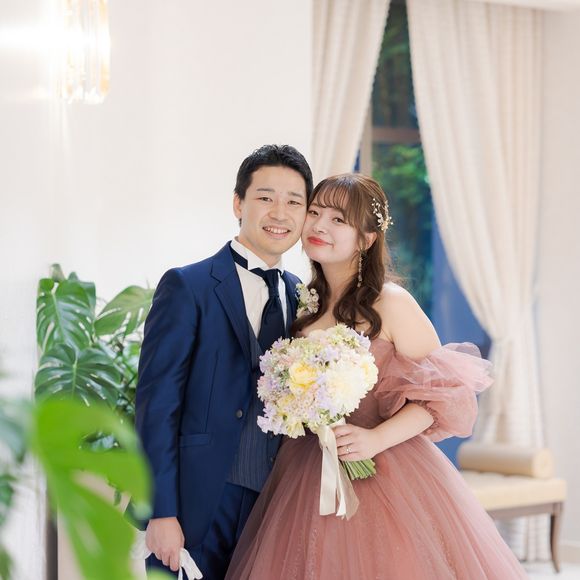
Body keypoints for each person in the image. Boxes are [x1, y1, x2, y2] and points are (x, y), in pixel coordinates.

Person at [226, 173, 528, 579]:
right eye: (315, 213)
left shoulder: (391, 302)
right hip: (305, 467)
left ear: (366, 239)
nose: (319, 226)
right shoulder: (303, 304)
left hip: (387, 468)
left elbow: (443, 397)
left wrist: (375, 439)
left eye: (338, 219)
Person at [135, 144, 313, 578]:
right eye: (265, 197)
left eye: (294, 202)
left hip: (274, 505)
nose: (280, 213)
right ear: (238, 204)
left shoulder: (302, 297)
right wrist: (161, 511)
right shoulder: (188, 286)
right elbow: (157, 406)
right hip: (195, 505)